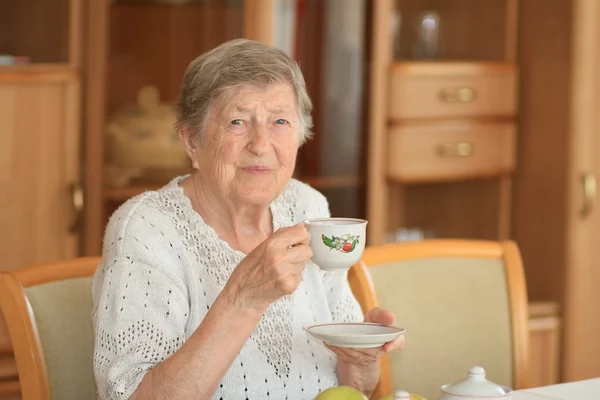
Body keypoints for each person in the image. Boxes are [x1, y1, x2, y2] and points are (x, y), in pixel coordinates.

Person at [91, 38, 405, 400]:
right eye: (237, 122)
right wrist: (244, 299)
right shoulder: (146, 229)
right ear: (192, 141)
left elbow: (354, 388)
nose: (261, 143)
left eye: (280, 121)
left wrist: (362, 358)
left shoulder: (308, 207)